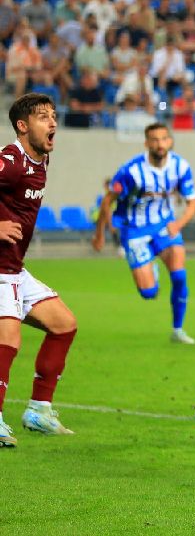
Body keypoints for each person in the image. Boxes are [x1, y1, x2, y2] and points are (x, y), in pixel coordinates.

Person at [0, 93, 78, 445]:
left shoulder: (39, 160)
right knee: (9, 339)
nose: (53, 123)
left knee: (63, 325)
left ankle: (39, 410)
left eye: (53, 116)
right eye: (43, 117)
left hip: (14, 268)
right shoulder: (11, 161)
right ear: (22, 126)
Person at [91, 123, 195, 344]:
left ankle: (178, 329)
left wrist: (179, 224)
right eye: (155, 140)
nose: (160, 144)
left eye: (164, 139)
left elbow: (192, 202)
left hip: (164, 226)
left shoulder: (180, 166)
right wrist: (100, 233)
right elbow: (107, 201)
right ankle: (152, 268)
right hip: (134, 230)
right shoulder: (131, 171)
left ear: (170, 141)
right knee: (148, 293)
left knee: (179, 275)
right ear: (147, 143)